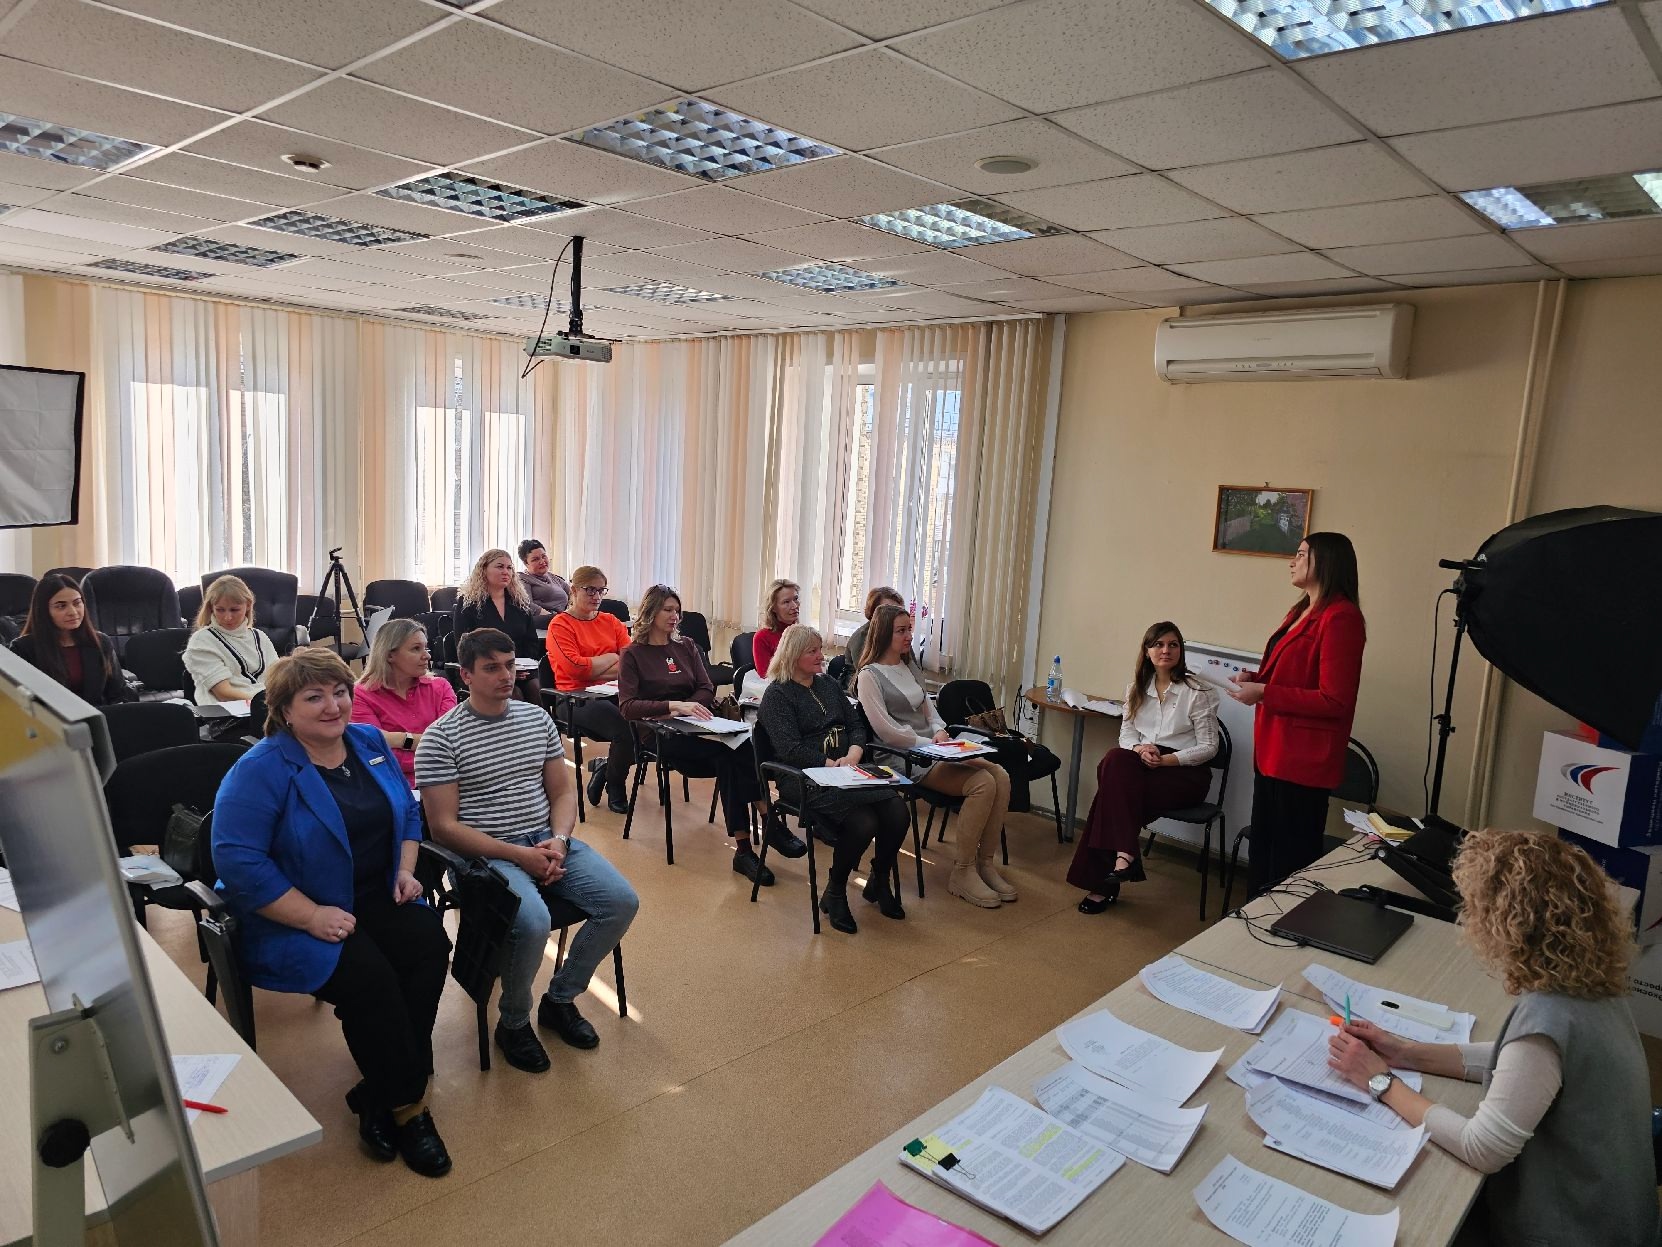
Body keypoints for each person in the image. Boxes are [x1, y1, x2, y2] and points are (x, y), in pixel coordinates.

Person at [1328, 829, 1659, 1247]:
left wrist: (1380, 1081)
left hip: (1575, 1231)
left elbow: (1482, 1148)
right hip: (1618, 1215)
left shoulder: (1549, 1014)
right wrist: (1406, 1053)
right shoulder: (1592, 984)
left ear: (1508, 924)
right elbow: (1524, 1064)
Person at [212, 649, 453, 1177]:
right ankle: (408, 1108)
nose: (333, 706)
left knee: (430, 945)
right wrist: (309, 916)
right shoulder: (261, 769)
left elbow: (407, 813)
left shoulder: (367, 742)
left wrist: (405, 869)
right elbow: (238, 861)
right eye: (314, 697)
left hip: (373, 892)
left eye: (340, 692)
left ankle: (380, 1090)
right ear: (285, 710)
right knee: (370, 980)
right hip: (292, 909)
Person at [417, 628, 639, 1072]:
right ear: (466, 675)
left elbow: (562, 793)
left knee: (621, 901)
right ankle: (514, 1022)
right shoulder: (440, 738)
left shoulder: (536, 719)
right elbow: (444, 828)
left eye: (510, 665)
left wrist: (558, 841)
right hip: (485, 856)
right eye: (491, 668)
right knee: (534, 921)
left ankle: (560, 1000)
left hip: (545, 839)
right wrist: (521, 857)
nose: (505, 676)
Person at [618, 585, 804, 886]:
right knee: (730, 755)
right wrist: (675, 706)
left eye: (677, 610)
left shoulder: (686, 646)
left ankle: (745, 848)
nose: (675, 616)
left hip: (699, 726)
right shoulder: (633, 654)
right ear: (650, 612)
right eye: (668, 610)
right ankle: (767, 824)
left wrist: (692, 707)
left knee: (741, 747)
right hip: (661, 734)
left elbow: (706, 688)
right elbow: (628, 707)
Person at [1228, 532, 1365, 895]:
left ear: (1327, 561)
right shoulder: (1299, 611)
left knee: (1286, 862)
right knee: (1263, 852)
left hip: (1302, 760)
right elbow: (1292, 674)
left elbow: (1334, 700)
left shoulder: (1341, 617)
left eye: (1302, 554)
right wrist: (1256, 679)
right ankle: (1253, 922)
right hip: (1273, 751)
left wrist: (1265, 692)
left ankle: (1278, 926)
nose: (1292, 561)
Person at [855, 603, 1015, 909]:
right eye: (901, 631)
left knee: (1001, 776)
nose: (908, 636)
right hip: (902, 757)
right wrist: (927, 742)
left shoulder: (909, 668)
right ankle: (963, 871)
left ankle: (984, 864)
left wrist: (940, 732)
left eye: (909, 629)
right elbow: (886, 731)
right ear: (883, 634)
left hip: (932, 749)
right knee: (983, 783)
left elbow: (932, 712)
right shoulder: (869, 676)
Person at [757, 623, 910, 934]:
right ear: (793, 655)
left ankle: (878, 880)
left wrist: (854, 753)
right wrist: (830, 764)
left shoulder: (827, 683)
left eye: (820, 649)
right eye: (812, 651)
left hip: (846, 769)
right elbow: (790, 749)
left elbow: (855, 725)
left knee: (897, 810)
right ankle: (836, 891)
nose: (821, 656)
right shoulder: (777, 695)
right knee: (863, 821)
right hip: (803, 777)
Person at [1069, 621, 1219, 914]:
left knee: (1110, 793)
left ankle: (1107, 880)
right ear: (1147, 651)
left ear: (1181, 650)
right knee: (1115, 759)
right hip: (1144, 763)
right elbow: (1126, 736)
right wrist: (1140, 749)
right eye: (1158, 644)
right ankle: (1124, 856)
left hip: (1185, 772)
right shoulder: (1135, 690)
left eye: (1173, 644)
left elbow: (1209, 748)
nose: (1166, 650)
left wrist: (1165, 760)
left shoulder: (1198, 692)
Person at [547, 565, 634, 815]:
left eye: (601, 590)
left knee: (646, 724)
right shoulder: (561, 625)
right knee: (625, 728)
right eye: (590, 590)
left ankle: (606, 769)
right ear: (574, 590)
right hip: (574, 697)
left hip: (614, 692)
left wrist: (594, 667)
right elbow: (575, 669)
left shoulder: (611, 621)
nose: (596, 596)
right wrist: (611, 657)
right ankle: (616, 786)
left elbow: (632, 663)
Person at [351, 618, 457, 788]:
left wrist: (396, 739)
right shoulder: (361, 695)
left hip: (444, 783)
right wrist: (432, 749)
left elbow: (451, 744)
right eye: (416, 649)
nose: (427, 656)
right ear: (389, 655)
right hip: (391, 787)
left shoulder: (441, 687)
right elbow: (375, 757)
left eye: (426, 648)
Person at [9, 572, 135, 706]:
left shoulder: (100, 642)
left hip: (98, 716)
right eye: (61, 606)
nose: (73, 612)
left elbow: (118, 693)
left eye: (77, 603)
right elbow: (19, 702)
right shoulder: (23, 649)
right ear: (44, 611)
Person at [453, 549, 542, 703]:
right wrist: (502, 668)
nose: (506, 572)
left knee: (536, 688)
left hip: (520, 669)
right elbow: (463, 645)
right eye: (500, 567)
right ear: (484, 570)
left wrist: (518, 667)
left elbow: (531, 641)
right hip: (484, 668)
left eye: (509, 568)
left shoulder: (519, 602)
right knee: (513, 694)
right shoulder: (468, 603)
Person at [183, 574, 281, 706]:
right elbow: (224, 694)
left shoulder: (260, 637)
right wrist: (267, 704)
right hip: (227, 712)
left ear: (248, 605)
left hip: (265, 706)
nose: (227, 617)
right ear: (211, 608)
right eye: (220, 610)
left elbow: (278, 679)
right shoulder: (202, 641)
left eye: (234, 610)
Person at [842, 586, 903, 690]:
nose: (894, 616)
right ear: (873, 613)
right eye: (887, 611)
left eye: (898, 611)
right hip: (861, 689)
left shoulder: (901, 634)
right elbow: (869, 677)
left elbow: (913, 671)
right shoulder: (861, 638)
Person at [751, 578, 800, 677]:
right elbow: (766, 675)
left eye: (796, 599)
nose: (795, 606)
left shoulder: (801, 632)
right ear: (773, 608)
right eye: (786, 602)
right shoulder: (762, 637)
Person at [518, 538, 569, 625]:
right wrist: (555, 619)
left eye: (544, 556)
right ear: (526, 563)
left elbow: (574, 593)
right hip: (544, 622)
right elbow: (527, 604)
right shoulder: (523, 578)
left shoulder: (555, 578)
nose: (542, 561)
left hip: (563, 619)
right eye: (535, 559)